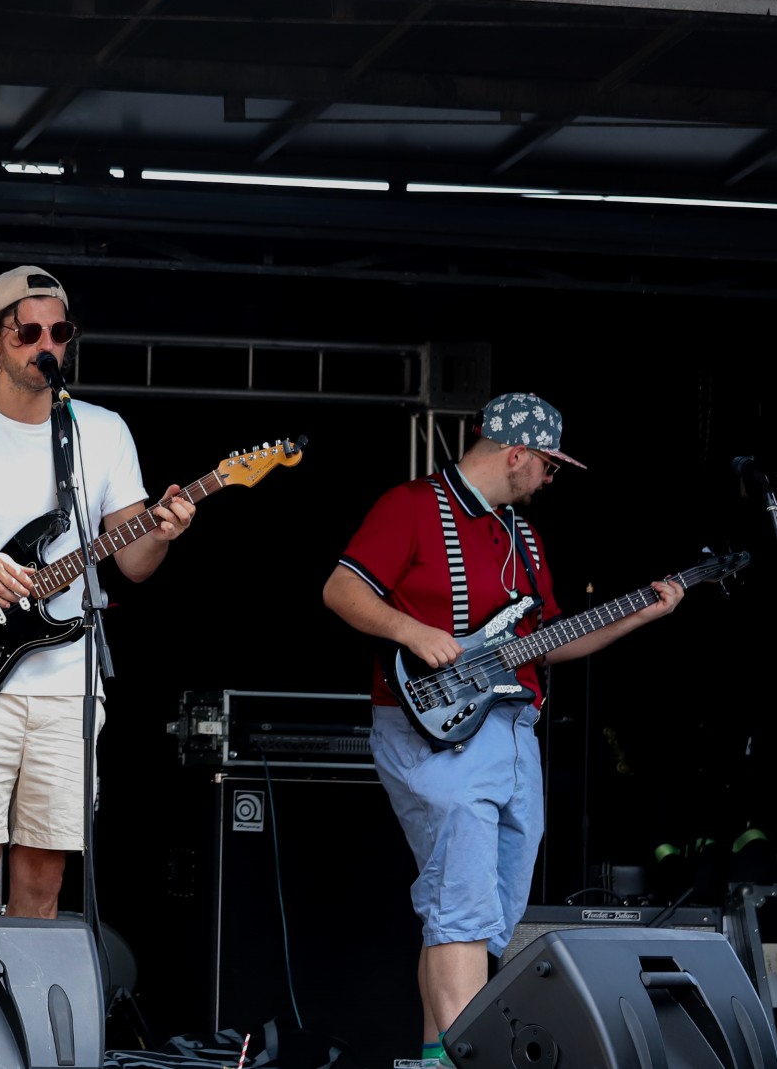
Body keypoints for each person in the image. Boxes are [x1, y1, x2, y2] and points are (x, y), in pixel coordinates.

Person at [320, 393, 683, 1065]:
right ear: (517, 455)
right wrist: (413, 631)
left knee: (485, 915)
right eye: (548, 465)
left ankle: (437, 1058)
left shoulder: (523, 536)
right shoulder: (411, 506)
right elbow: (341, 590)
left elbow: (546, 641)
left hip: (514, 732)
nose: (550, 478)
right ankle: (470, 1061)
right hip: (436, 728)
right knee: (460, 906)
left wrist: (639, 615)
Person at [0, 265, 194, 919]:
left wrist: (165, 531)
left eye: (60, 331)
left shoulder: (101, 430)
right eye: (29, 332)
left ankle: (20, 993)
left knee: (45, 876)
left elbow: (133, 563)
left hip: (69, 681)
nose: (47, 344)